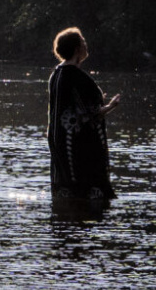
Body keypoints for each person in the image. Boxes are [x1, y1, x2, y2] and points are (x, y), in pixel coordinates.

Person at [46, 26, 118, 204]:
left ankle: (65, 220)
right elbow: (90, 114)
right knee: (85, 191)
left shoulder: (56, 74)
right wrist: (111, 106)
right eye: (83, 42)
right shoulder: (76, 76)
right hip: (75, 142)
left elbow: (71, 106)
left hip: (57, 139)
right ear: (77, 49)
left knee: (66, 188)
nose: (86, 45)